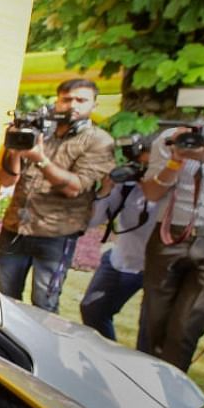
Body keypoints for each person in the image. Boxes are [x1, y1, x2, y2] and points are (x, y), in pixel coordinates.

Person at [0, 78, 115, 312]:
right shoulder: (37, 131)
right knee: (4, 300)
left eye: (81, 100)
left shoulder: (99, 141)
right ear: (57, 101)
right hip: (15, 228)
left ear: (94, 105)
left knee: (44, 303)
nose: (72, 105)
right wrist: (16, 150)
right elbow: (8, 179)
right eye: (66, 99)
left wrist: (40, 159)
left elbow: (75, 187)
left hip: (56, 234)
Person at [138, 122, 204, 371]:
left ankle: (169, 397)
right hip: (169, 236)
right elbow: (152, 193)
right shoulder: (171, 137)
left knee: (186, 327)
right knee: (154, 321)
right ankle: (144, 383)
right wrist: (176, 160)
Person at [78, 134, 158, 346]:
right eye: (139, 164)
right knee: (92, 309)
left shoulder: (173, 189)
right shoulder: (126, 186)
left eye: (148, 166)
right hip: (120, 260)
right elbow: (93, 221)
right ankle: (107, 355)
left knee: (150, 331)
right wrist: (106, 190)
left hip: (155, 268)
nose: (141, 170)